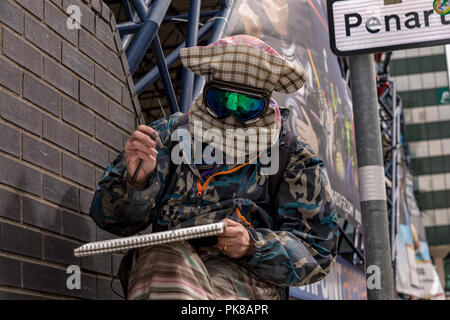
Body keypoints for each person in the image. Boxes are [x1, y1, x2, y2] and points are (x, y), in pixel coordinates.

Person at [89, 35, 338, 300]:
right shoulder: (169, 135)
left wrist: (253, 245)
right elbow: (108, 220)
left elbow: (317, 251)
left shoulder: (292, 156)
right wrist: (137, 182)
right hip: (165, 263)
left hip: (247, 281)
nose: (232, 114)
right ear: (207, 92)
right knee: (162, 257)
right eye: (221, 101)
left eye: (246, 107)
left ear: (266, 104)